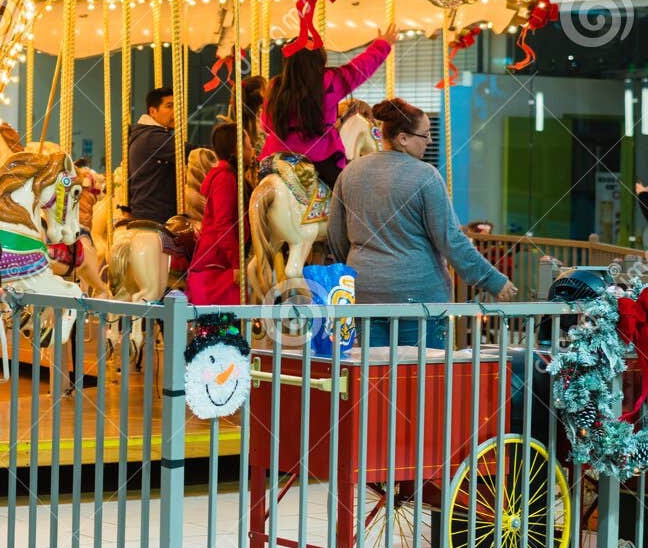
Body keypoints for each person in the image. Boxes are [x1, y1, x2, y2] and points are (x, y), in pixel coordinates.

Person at [327, 98, 517, 350]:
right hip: (418, 297)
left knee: (373, 370)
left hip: (365, 293)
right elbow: (451, 240)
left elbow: (336, 236)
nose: (429, 140)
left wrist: (362, 265)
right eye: (425, 134)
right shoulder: (425, 176)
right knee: (422, 372)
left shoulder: (349, 173)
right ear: (403, 138)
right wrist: (493, 280)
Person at [261, 28, 394, 190]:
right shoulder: (328, 81)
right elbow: (358, 69)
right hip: (317, 156)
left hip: (275, 155)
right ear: (318, 59)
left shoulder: (275, 86)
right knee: (344, 192)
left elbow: (266, 126)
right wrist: (382, 45)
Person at [187, 123, 247, 306]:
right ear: (236, 149)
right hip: (219, 261)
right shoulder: (225, 178)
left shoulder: (228, 176)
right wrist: (236, 262)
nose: (253, 150)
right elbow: (223, 223)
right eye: (249, 145)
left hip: (220, 258)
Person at [125, 87, 177, 223]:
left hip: (148, 212)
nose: (175, 111)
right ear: (153, 111)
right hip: (155, 216)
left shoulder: (145, 134)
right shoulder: (152, 137)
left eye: (177, 106)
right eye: (169, 106)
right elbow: (190, 152)